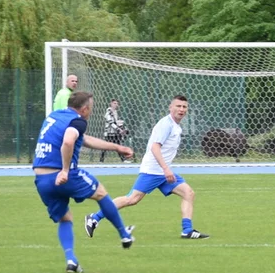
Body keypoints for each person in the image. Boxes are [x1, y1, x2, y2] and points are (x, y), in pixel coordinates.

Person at [33, 91, 135, 273]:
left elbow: (84, 139)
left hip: (42, 180)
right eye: (91, 107)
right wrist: (65, 170)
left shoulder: (55, 116)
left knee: (65, 218)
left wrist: (117, 147)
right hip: (64, 175)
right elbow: (68, 141)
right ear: (85, 108)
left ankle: (71, 260)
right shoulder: (78, 121)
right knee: (101, 193)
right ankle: (124, 235)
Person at [85, 94, 209, 240]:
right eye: (178, 106)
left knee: (188, 193)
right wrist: (166, 169)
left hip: (162, 172)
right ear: (170, 107)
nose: (181, 109)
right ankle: (94, 217)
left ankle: (187, 230)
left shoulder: (175, 126)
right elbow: (155, 148)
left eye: (184, 107)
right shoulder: (166, 124)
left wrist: (165, 169)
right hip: (153, 171)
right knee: (131, 199)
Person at [100, 98, 132, 162]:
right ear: (111, 103)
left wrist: (122, 127)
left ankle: (123, 160)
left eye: (117, 104)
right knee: (105, 147)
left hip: (115, 133)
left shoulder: (115, 112)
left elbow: (116, 122)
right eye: (114, 103)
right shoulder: (108, 112)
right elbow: (111, 122)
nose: (116, 105)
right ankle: (101, 160)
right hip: (109, 133)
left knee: (118, 146)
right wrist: (119, 129)